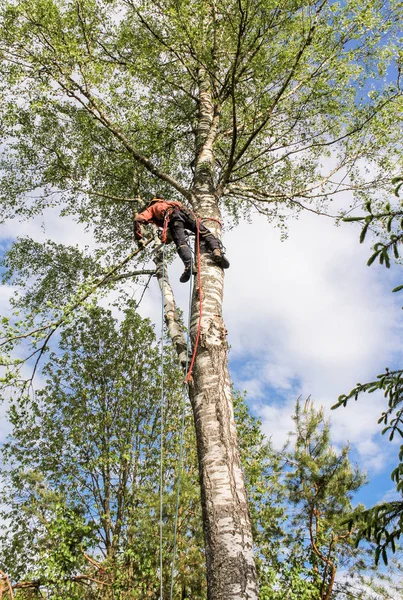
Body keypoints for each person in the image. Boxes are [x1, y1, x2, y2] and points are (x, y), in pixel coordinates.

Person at [133, 196, 230, 283]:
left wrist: (139, 238)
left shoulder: (152, 208)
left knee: (181, 243)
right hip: (187, 215)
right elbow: (182, 208)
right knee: (205, 233)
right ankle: (216, 251)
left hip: (174, 219)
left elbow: (137, 219)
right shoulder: (171, 202)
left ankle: (189, 266)